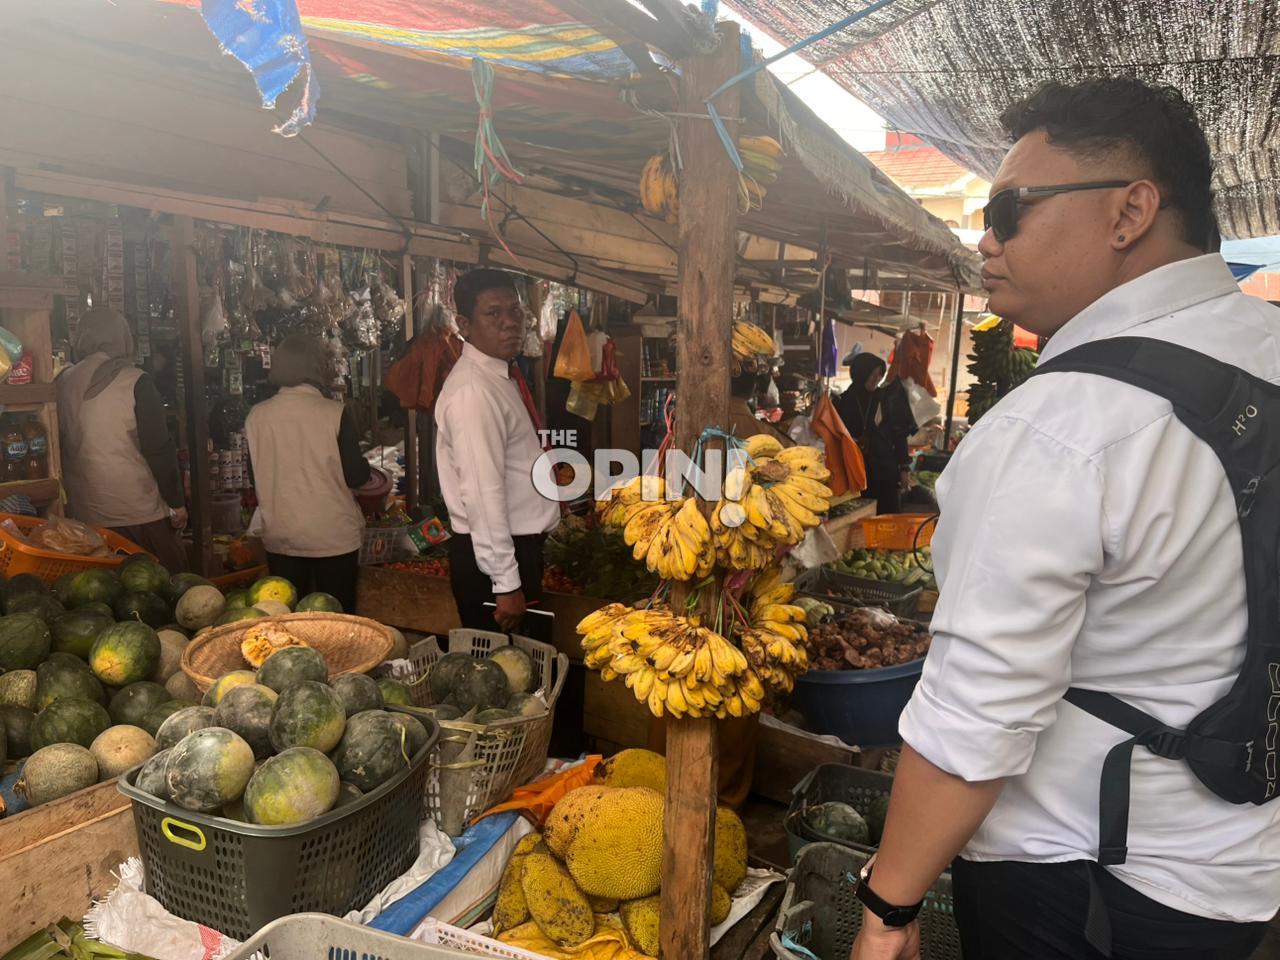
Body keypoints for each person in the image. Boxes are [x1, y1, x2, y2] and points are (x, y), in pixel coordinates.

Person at [851, 79, 1279, 960]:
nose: (987, 238)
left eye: (1011, 208)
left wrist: (887, 909)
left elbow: (975, 717)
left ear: (1130, 211)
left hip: (1083, 879)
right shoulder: (1264, 352)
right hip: (1234, 865)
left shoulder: (1063, 424)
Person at [435, 270, 559, 633]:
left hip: (513, 552)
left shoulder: (498, 376)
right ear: (464, 324)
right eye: (493, 314)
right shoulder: (474, 391)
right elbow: (482, 491)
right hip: (495, 562)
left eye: (515, 312)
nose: (509, 323)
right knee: (509, 675)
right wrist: (506, 584)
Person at [57, 305, 188, 571]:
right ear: (123, 337)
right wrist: (177, 502)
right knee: (166, 586)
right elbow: (159, 450)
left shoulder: (62, 381)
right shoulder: (135, 382)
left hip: (85, 515)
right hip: (137, 513)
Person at [245, 335, 369, 612]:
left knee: (288, 620)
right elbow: (356, 476)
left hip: (281, 535)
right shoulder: (334, 413)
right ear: (317, 366)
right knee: (336, 622)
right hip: (333, 537)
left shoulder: (256, 416)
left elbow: (254, 476)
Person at [836, 352, 916, 513]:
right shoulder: (843, 401)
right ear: (860, 373)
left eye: (880, 374)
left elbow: (899, 435)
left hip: (885, 471)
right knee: (858, 517)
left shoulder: (886, 399)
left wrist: (904, 469)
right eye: (873, 374)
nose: (877, 378)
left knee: (886, 516)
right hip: (854, 471)